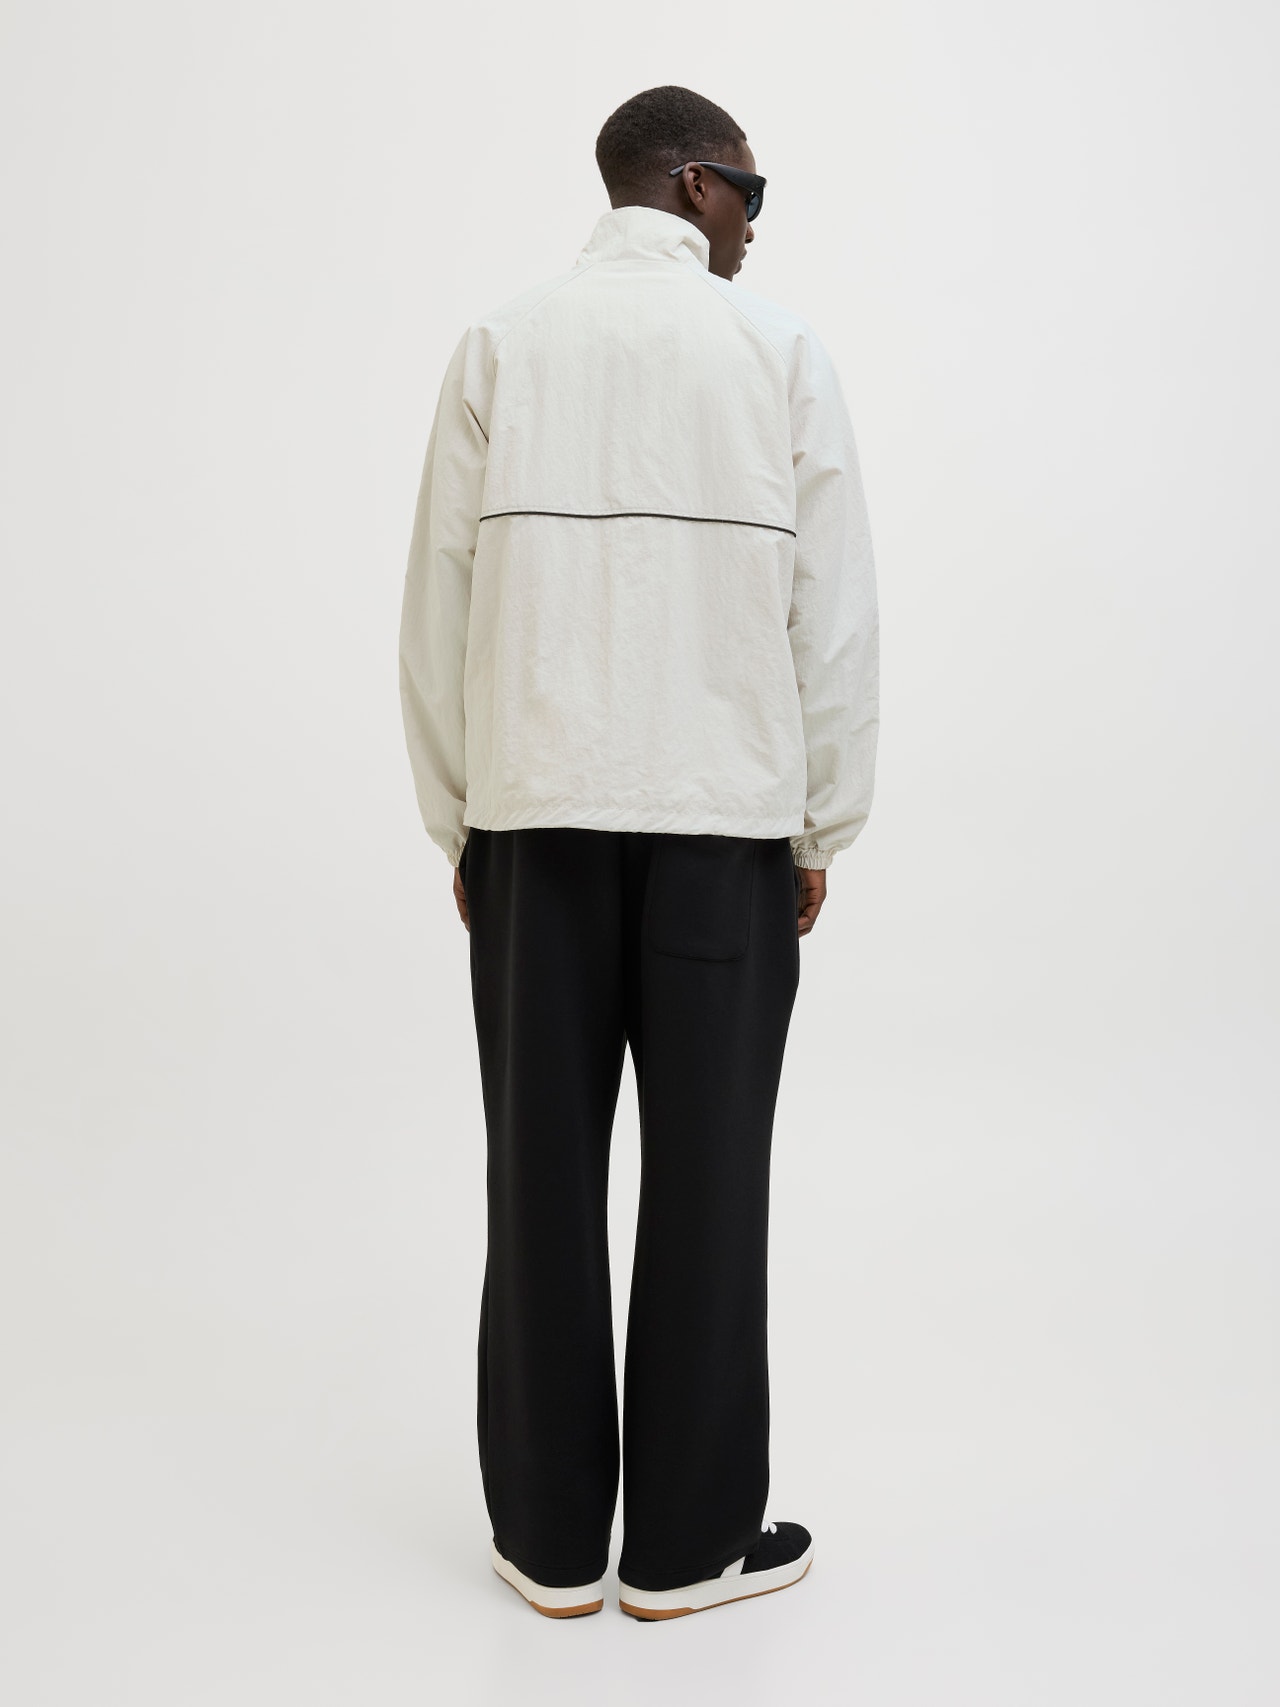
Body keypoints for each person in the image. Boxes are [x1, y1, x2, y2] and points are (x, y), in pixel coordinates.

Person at [398, 83, 879, 1621]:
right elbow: (833, 615)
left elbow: (437, 607)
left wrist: (462, 815)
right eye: (750, 190)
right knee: (711, 1180)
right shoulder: (777, 353)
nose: (755, 223)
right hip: (725, 828)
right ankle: (685, 1548)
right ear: (692, 185)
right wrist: (823, 820)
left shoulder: (502, 345)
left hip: (533, 820)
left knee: (537, 1174)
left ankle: (547, 1544)